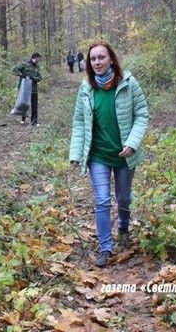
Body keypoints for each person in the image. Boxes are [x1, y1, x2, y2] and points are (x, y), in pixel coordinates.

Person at [69, 42, 149, 268]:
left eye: (101, 58)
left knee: (123, 198)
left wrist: (133, 143)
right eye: (93, 59)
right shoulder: (86, 88)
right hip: (98, 156)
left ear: (111, 59)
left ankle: (123, 225)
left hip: (125, 155)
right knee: (102, 200)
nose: (97, 63)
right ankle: (105, 247)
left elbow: (142, 114)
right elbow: (79, 122)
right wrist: (75, 153)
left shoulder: (128, 83)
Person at [13, 52, 43, 126]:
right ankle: (23, 119)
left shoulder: (37, 67)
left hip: (34, 89)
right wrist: (21, 75)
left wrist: (34, 79)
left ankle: (34, 122)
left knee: (34, 105)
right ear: (35, 57)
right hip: (25, 88)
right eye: (38, 58)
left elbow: (40, 77)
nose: (39, 60)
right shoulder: (25, 64)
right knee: (24, 103)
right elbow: (14, 69)